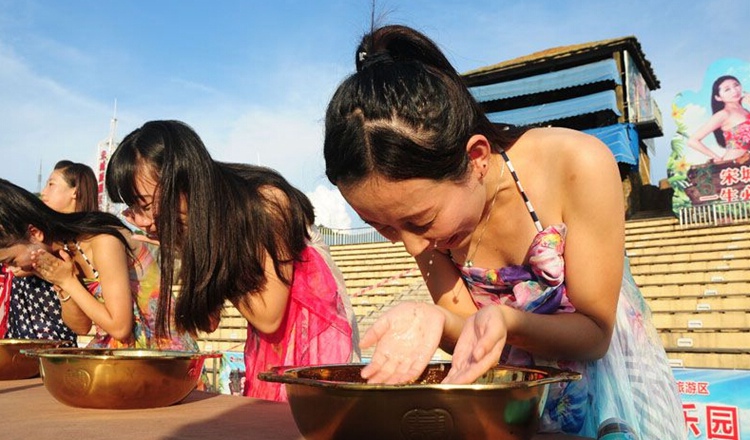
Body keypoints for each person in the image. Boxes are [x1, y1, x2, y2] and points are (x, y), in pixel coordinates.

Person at [323, 24, 685, 439]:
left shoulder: (576, 163)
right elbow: (472, 332)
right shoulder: (424, 227)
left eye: (420, 221)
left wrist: (507, 322)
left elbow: (595, 335)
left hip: (609, 393)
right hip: (517, 406)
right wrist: (435, 319)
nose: (411, 245)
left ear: (477, 157)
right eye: (379, 225)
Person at [105, 119, 360, 402]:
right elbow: (209, 322)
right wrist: (188, 248)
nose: (142, 221)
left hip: (316, 347)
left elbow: (269, 316)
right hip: (273, 353)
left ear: (180, 177)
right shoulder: (201, 228)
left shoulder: (267, 202)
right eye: (133, 209)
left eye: (145, 205)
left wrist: (194, 246)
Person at [0, 178, 197, 351]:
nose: (11, 269)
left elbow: (120, 328)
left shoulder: (102, 240)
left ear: (35, 233)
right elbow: (81, 327)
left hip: (163, 354)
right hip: (120, 357)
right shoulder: (60, 254)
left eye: (11, 260)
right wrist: (62, 285)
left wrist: (68, 281)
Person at [2, 160, 98, 344]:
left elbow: (85, 326)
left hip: (57, 341)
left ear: (75, 191)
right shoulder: (28, 244)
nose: (43, 192)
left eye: (51, 184)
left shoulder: (89, 244)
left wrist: (62, 279)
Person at [687, 75, 750, 162]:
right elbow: (692, 141)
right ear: (718, 97)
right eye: (727, 89)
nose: (734, 90)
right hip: (733, 164)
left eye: (736, 85)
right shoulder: (723, 114)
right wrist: (717, 158)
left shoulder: (745, 110)